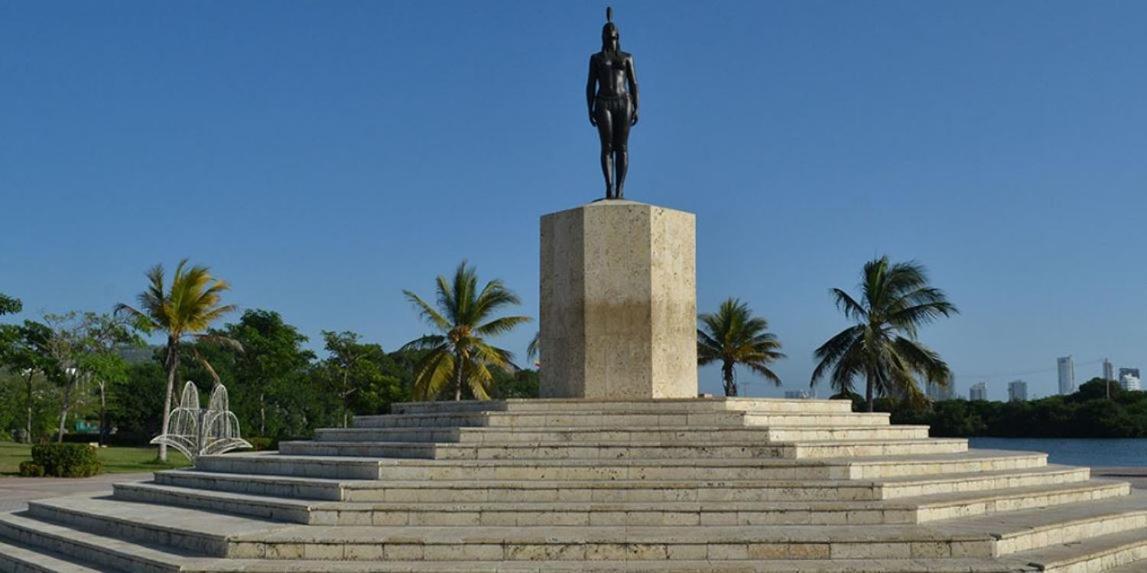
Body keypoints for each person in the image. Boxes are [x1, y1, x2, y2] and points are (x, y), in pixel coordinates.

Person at [586, 7, 639, 200]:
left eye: (614, 37)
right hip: (603, 102)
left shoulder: (626, 57)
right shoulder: (596, 58)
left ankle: (620, 189)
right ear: (603, 37)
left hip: (623, 101)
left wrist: (637, 106)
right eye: (608, 37)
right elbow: (591, 84)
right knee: (606, 147)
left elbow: (633, 82)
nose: (611, 40)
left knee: (622, 147)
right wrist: (589, 107)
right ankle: (609, 186)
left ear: (618, 37)